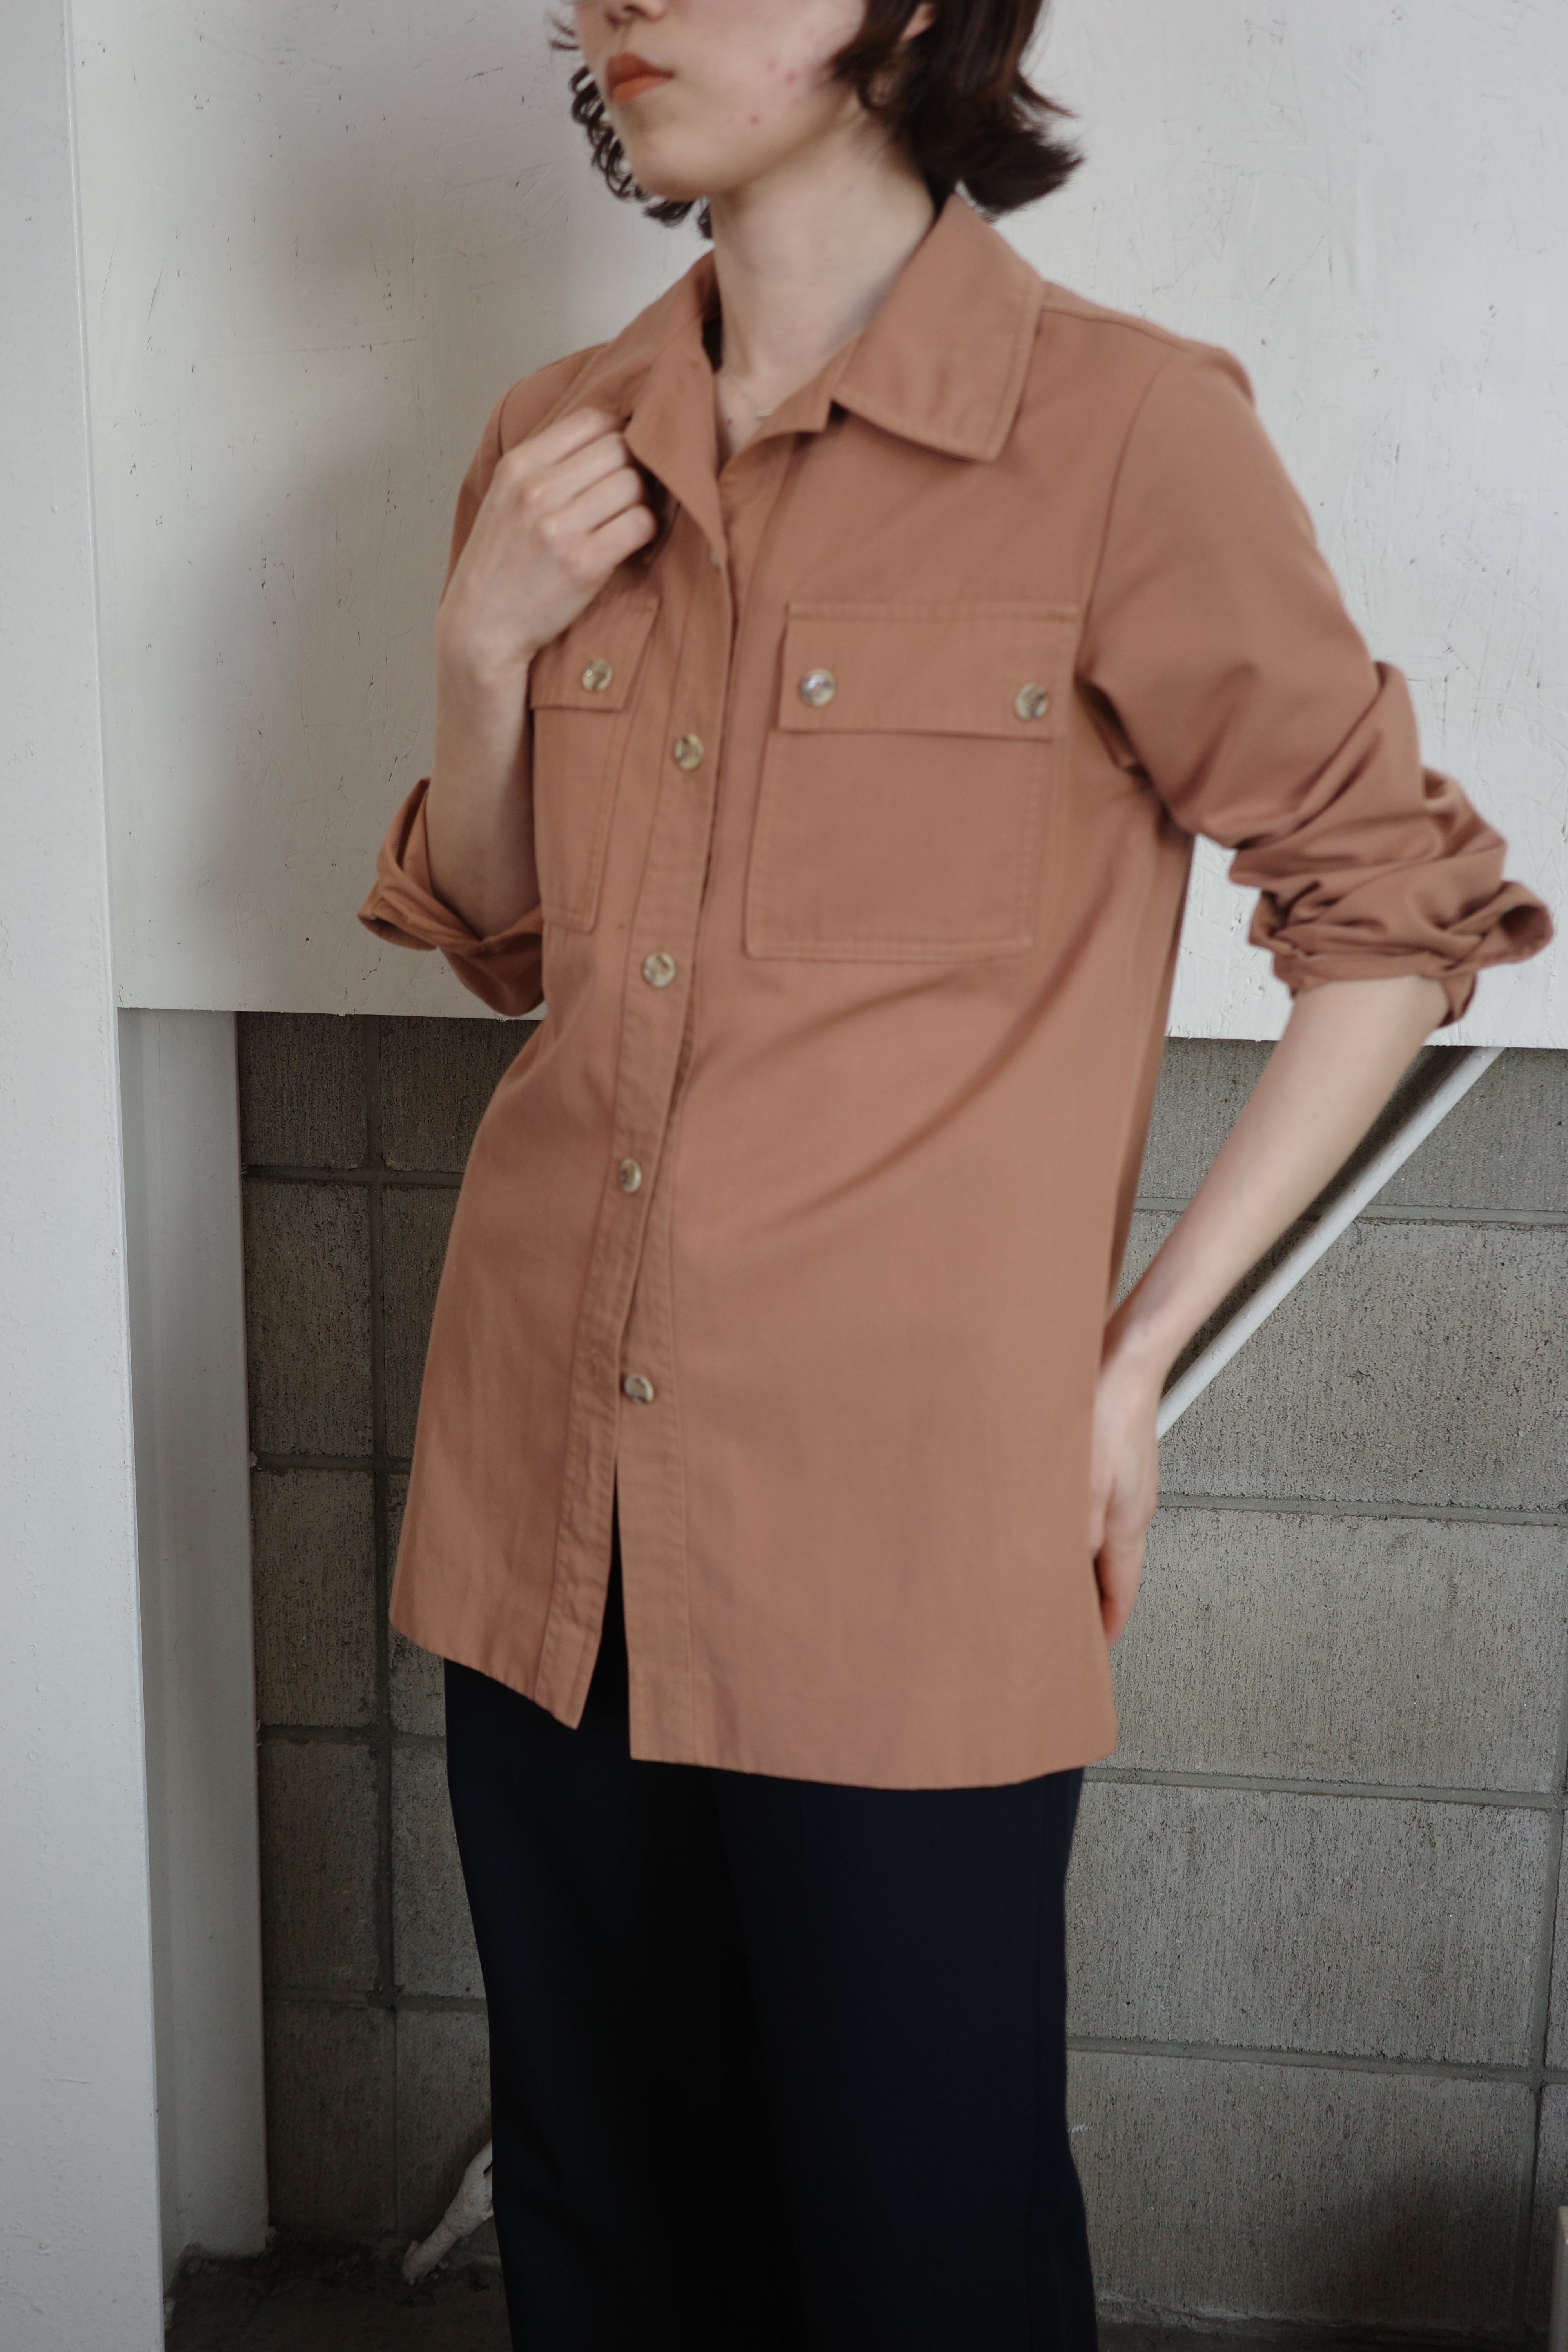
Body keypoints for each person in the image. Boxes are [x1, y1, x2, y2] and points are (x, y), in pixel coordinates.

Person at [358, 2, 1551, 2343]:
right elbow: (511, 948)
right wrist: (479, 649)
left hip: (898, 1529)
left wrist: (1130, 1365)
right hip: (538, 1498)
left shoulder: (1125, 436)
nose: (623, 4)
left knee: (923, 2243)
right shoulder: (555, 442)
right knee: (603, 2218)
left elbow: (1397, 919)